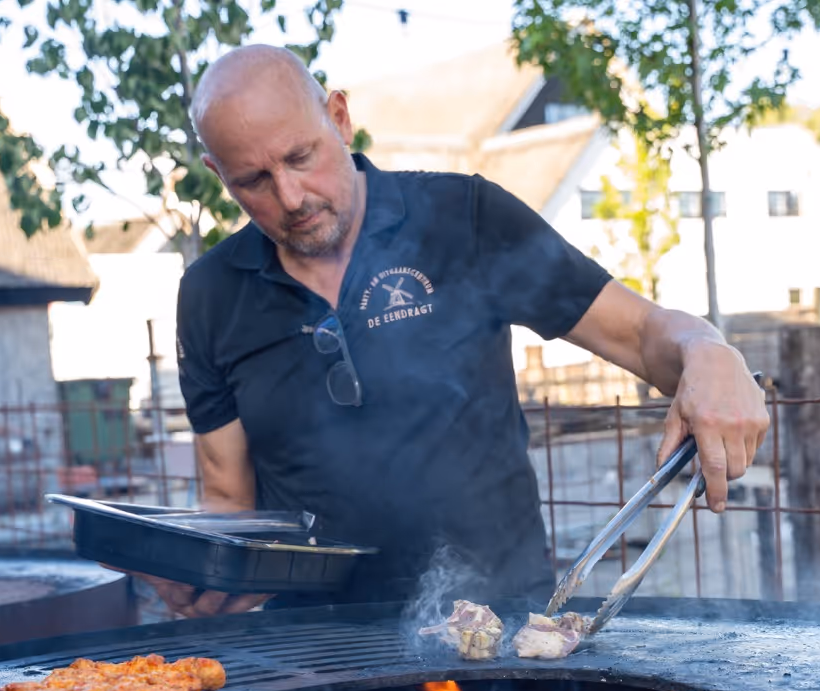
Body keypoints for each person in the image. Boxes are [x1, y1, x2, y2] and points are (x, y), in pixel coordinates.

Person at [118, 44, 769, 619]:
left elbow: (641, 333)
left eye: (300, 156)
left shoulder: (466, 219)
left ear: (338, 117)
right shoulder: (210, 294)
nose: (290, 197)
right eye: (254, 181)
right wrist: (206, 578)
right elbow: (230, 501)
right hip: (313, 650)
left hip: (499, 628)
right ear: (217, 174)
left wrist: (706, 350)